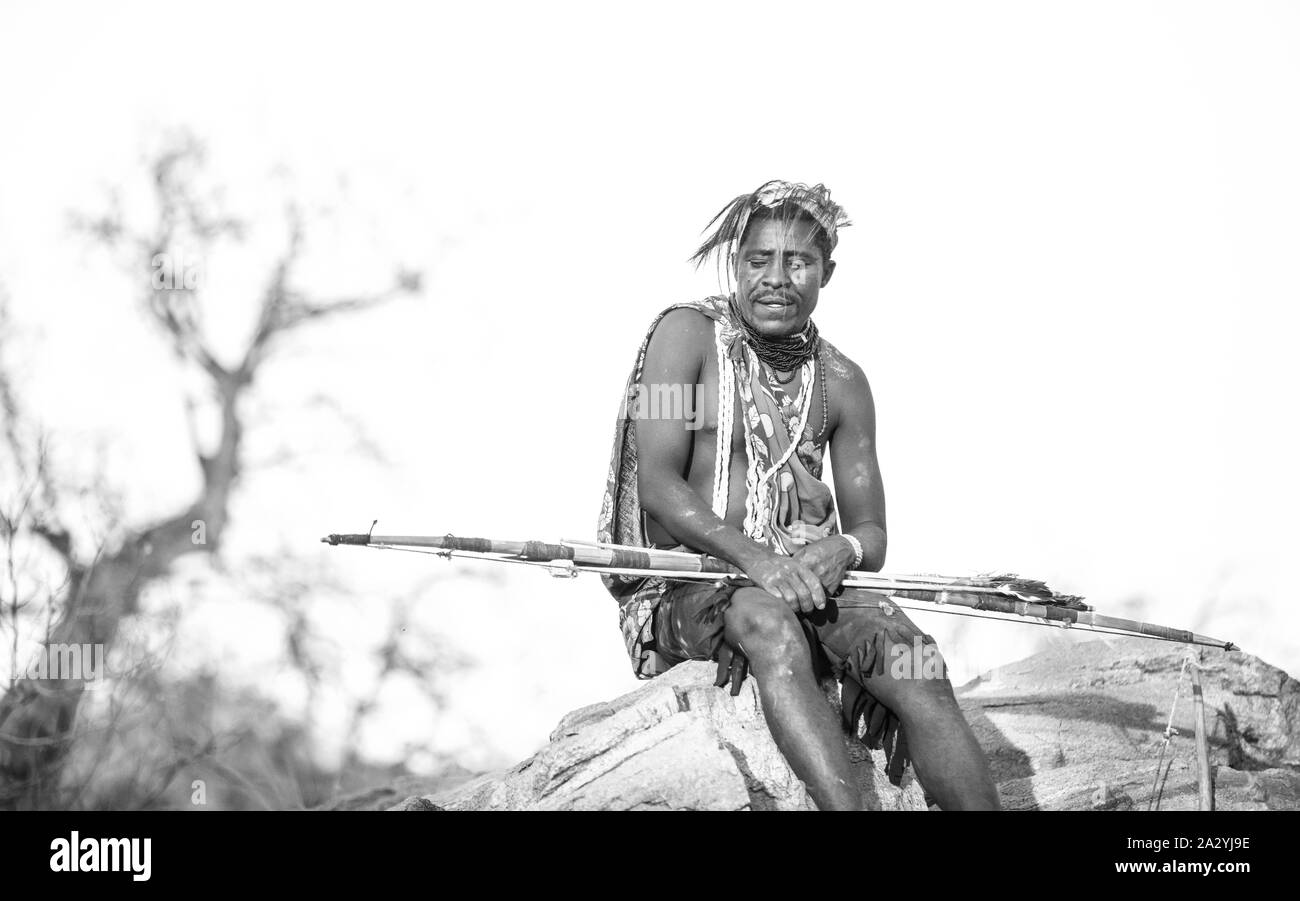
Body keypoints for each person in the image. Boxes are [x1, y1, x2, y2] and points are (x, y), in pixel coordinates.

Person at [596, 180, 1000, 810]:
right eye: (759, 260)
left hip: (811, 583)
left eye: (798, 262)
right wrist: (758, 562)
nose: (776, 279)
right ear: (737, 264)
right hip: (696, 583)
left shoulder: (842, 382)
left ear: (827, 273)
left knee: (917, 662)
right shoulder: (685, 338)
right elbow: (658, 484)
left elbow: (873, 534)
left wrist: (841, 548)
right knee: (770, 626)